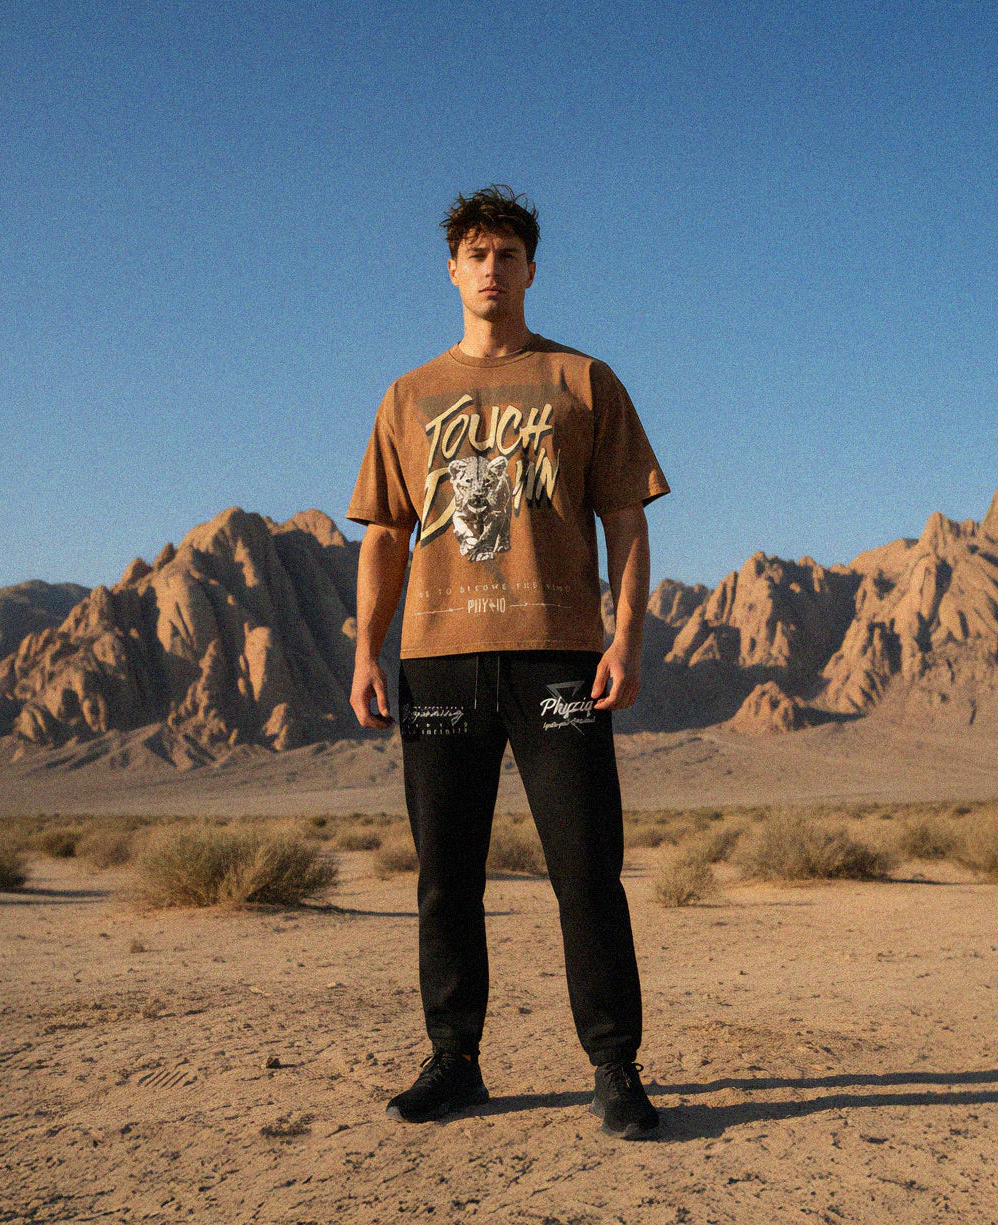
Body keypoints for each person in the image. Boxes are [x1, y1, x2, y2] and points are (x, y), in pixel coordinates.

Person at [347, 185, 669, 1140]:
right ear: (452, 270)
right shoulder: (408, 396)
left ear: (532, 269)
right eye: (476, 255)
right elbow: (384, 535)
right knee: (445, 875)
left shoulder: (583, 380)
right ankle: (454, 1061)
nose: (492, 269)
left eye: (508, 254)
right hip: (440, 658)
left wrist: (627, 637)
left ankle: (614, 1066)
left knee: (587, 868)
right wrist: (366, 649)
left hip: (559, 656)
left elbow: (626, 519)